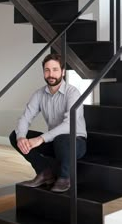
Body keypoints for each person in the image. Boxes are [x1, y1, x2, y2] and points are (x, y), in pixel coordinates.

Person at [9, 53, 87, 192]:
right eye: (47, 70)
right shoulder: (39, 94)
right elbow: (25, 118)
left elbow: (69, 124)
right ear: (44, 72)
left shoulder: (72, 93)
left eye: (55, 70)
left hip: (75, 143)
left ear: (63, 72)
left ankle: (64, 177)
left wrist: (40, 139)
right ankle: (45, 172)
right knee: (14, 136)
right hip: (54, 142)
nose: (51, 74)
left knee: (62, 138)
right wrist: (21, 137)